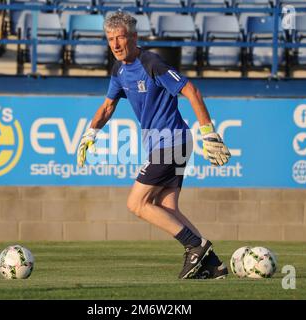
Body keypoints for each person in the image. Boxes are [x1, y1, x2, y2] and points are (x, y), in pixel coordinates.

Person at [77, 11, 231, 279]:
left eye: (120, 38)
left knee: (136, 203)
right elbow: (108, 106)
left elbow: (191, 90)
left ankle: (195, 245)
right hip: (167, 144)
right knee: (167, 208)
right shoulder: (119, 69)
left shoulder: (151, 63)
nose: (114, 44)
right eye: (110, 39)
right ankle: (212, 264)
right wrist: (89, 134)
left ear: (134, 37)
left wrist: (208, 132)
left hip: (171, 142)